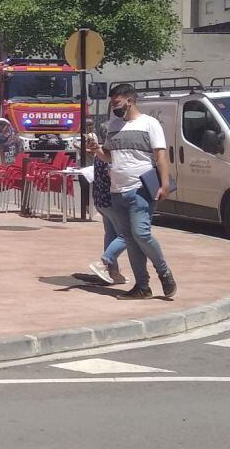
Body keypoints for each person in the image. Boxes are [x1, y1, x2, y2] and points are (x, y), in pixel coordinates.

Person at [89, 83, 177, 300]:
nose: (114, 107)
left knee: (142, 234)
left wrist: (164, 184)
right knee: (129, 239)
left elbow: (160, 156)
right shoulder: (114, 126)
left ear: (130, 100)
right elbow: (109, 156)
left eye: (117, 102)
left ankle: (164, 272)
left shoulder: (150, 124)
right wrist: (96, 150)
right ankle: (142, 287)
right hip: (117, 190)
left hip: (140, 189)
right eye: (112, 103)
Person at [87, 152, 127, 285]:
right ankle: (104, 262)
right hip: (110, 200)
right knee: (126, 235)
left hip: (100, 199)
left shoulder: (99, 153)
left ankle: (112, 271)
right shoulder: (110, 154)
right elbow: (112, 175)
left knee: (111, 234)